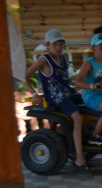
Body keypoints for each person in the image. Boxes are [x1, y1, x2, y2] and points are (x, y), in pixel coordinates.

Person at [24, 29, 91, 169]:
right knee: (78, 118)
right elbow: (26, 77)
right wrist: (34, 94)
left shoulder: (63, 58)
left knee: (90, 103)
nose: (59, 47)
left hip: (67, 93)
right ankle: (79, 158)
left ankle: (89, 140)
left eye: (61, 44)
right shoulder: (44, 59)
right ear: (47, 45)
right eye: (55, 44)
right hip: (56, 96)